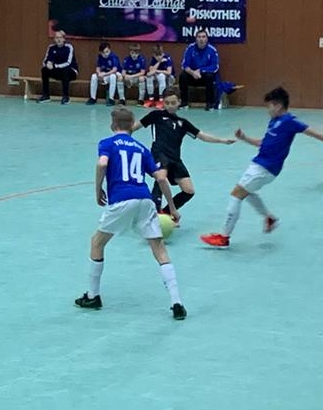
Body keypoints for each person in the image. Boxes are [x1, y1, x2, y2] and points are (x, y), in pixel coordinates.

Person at [200, 87, 323, 249]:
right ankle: (269, 218)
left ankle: (224, 237)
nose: (268, 110)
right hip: (259, 164)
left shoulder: (290, 121)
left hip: (265, 168)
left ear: (278, 106)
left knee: (236, 195)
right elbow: (263, 143)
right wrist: (244, 138)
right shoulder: (273, 122)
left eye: (269, 106)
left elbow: (313, 132)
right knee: (247, 193)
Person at [78, 106, 186, 319]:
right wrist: (172, 208)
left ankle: (93, 295)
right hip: (145, 200)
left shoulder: (107, 143)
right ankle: (177, 302)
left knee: (97, 242)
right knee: (159, 248)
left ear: (113, 125)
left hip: (122, 199)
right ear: (131, 126)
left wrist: (98, 189)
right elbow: (161, 178)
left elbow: (102, 164)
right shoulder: (141, 148)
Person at [133, 90, 237, 212]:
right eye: (167, 103)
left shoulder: (183, 123)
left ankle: (166, 213)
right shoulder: (155, 115)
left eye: (173, 103)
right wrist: (121, 134)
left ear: (179, 102)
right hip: (159, 154)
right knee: (161, 178)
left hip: (175, 158)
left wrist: (222, 140)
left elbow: (202, 135)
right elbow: (135, 126)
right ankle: (153, 210)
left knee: (189, 191)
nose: (170, 106)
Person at [179, 29, 221, 111]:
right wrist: (192, 73)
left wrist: (200, 70)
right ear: (196, 39)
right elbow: (184, 65)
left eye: (203, 37)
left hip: (205, 76)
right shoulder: (190, 48)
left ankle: (210, 103)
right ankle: (184, 102)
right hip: (192, 75)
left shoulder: (212, 50)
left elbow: (215, 66)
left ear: (207, 39)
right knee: (183, 76)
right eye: (199, 37)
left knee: (210, 76)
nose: (201, 39)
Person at [38, 30, 78, 103]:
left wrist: (54, 66)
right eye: (56, 38)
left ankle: (66, 97)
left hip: (71, 71)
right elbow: (45, 61)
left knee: (65, 70)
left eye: (60, 38)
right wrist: (48, 64)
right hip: (58, 71)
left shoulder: (69, 47)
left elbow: (68, 63)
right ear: (54, 39)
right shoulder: (51, 47)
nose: (58, 40)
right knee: (44, 70)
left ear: (64, 39)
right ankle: (46, 95)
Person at [88, 42, 122, 106]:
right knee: (94, 76)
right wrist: (99, 73)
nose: (105, 54)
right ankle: (93, 98)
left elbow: (114, 70)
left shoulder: (113, 57)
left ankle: (111, 99)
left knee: (113, 76)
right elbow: (98, 68)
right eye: (103, 52)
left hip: (113, 74)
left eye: (107, 52)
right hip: (104, 75)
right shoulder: (100, 57)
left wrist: (104, 74)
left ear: (110, 50)